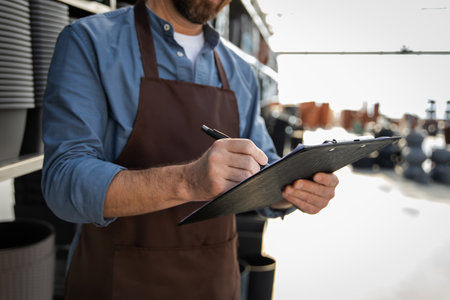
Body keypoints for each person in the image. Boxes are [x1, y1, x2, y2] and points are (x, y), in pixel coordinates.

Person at [41, 0, 339, 298]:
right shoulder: (90, 41)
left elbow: (265, 172)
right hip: (118, 282)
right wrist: (188, 182)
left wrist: (294, 190)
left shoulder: (240, 72)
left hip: (215, 282)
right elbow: (63, 180)